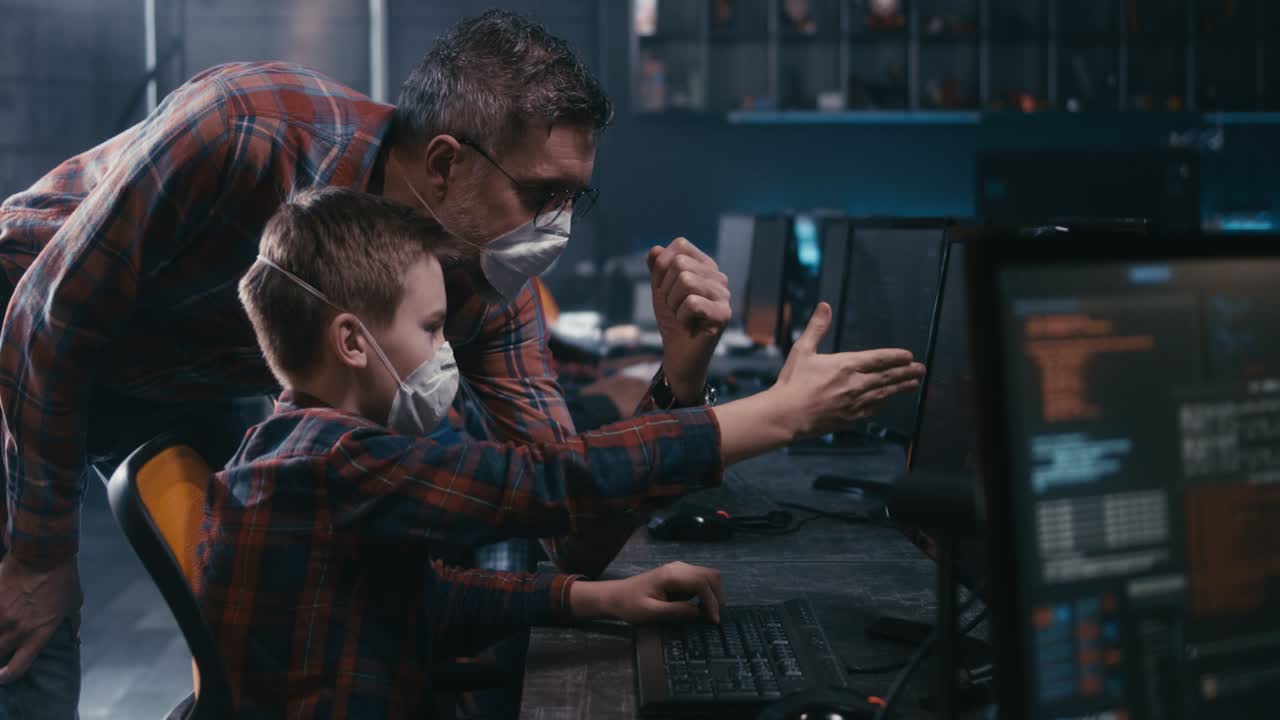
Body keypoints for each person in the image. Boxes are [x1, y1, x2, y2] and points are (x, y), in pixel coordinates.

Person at [0, 11, 923, 717]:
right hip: (25, 330)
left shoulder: (485, 285)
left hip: (196, 370)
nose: (556, 228)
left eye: (575, 199)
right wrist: (41, 553)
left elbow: (561, 505)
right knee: (30, 637)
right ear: (443, 165)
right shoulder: (248, 128)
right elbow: (52, 315)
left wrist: (680, 382)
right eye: (542, 194)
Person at [210, 185, 920, 719]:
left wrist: (598, 598)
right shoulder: (338, 463)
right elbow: (544, 482)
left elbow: (422, 595)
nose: (445, 350)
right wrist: (779, 414)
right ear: (353, 342)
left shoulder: (294, 445)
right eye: (430, 328)